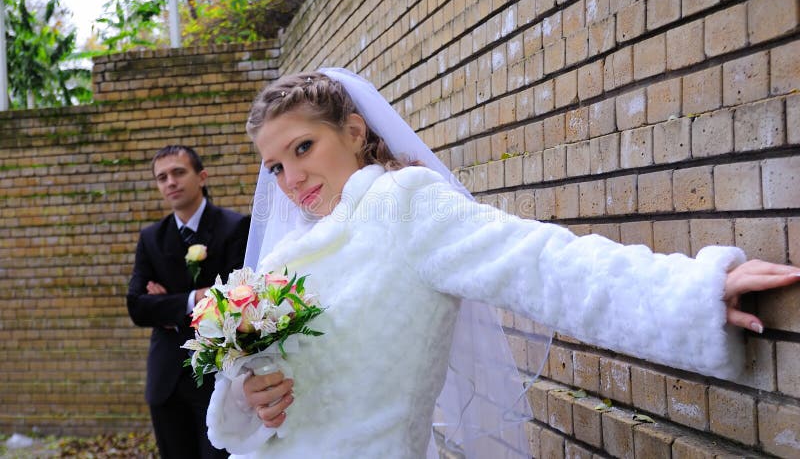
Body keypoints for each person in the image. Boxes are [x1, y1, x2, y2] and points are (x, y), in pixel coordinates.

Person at [206, 69, 800, 459]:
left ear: (355, 131)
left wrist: (691, 292)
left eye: (302, 147)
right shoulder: (284, 260)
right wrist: (250, 395)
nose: (291, 178)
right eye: (275, 167)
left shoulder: (404, 206)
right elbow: (253, 398)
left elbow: (538, 262)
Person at [127, 145, 250, 459]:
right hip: (167, 377)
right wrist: (196, 297)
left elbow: (235, 301)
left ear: (202, 176)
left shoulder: (234, 227)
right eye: (162, 177)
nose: (170, 182)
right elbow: (138, 307)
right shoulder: (151, 237)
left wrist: (167, 304)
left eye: (178, 172)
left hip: (219, 374)